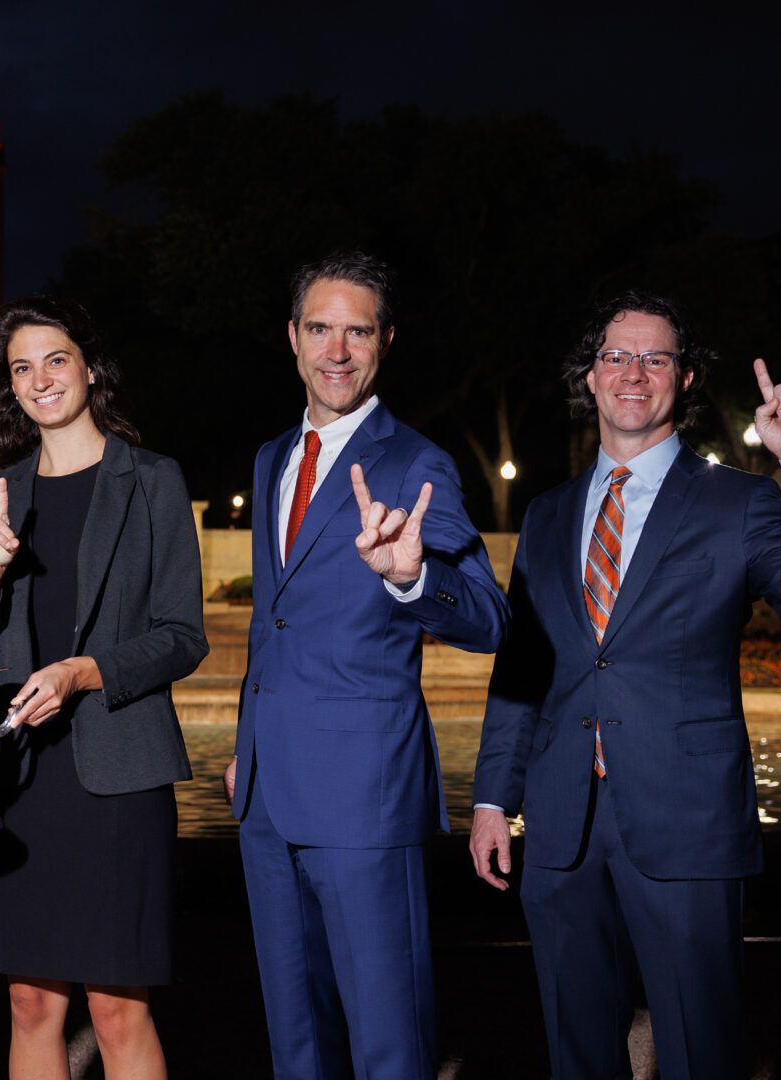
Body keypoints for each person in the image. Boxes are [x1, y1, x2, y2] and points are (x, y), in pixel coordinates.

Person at [469, 292, 781, 1079]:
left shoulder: (743, 502)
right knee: (575, 1051)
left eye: (656, 358)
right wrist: (491, 798)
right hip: (559, 827)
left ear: (684, 380)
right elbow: (523, 666)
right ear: (591, 374)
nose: (633, 373)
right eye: (617, 355)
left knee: (700, 1050)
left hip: (687, 823)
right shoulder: (548, 514)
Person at [226, 252, 508, 1079]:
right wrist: (244, 752)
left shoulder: (417, 463)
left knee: (389, 1041)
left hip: (364, 795)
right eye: (320, 328)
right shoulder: (272, 457)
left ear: (385, 341)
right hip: (266, 797)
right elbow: (274, 624)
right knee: (295, 1038)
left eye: (357, 331)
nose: (337, 351)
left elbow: (491, 620)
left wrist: (413, 579)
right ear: (292, 338)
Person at [0, 296, 208, 1080]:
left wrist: (87, 673)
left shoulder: (152, 480)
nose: (40, 379)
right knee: (30, 1003)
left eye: (55, 360)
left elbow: (182, 635)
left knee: (117, 1007)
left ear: (90, 368)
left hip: (117, 774)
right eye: (22, 367)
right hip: (22, 779)